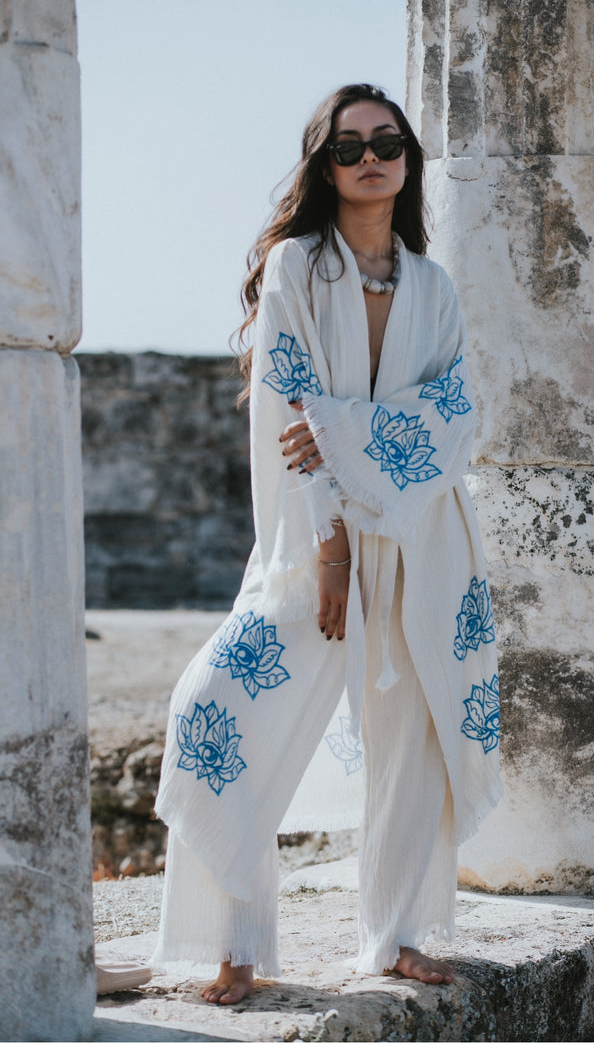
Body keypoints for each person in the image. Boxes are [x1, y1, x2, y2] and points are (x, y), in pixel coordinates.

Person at [153, 83, 503, 1005]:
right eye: (348, 147)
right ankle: (231, 940)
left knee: (414, 737)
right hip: (316, 543)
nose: (370, 156)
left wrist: (346, 425)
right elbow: (287, 415)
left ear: (408, 157)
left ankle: (399, 935)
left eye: (387, 140)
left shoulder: (433, 286)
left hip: (427, 539)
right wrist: (333, 548)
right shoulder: (295, 271)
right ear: (324, 164)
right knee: (218, 710)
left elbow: (463, 413)